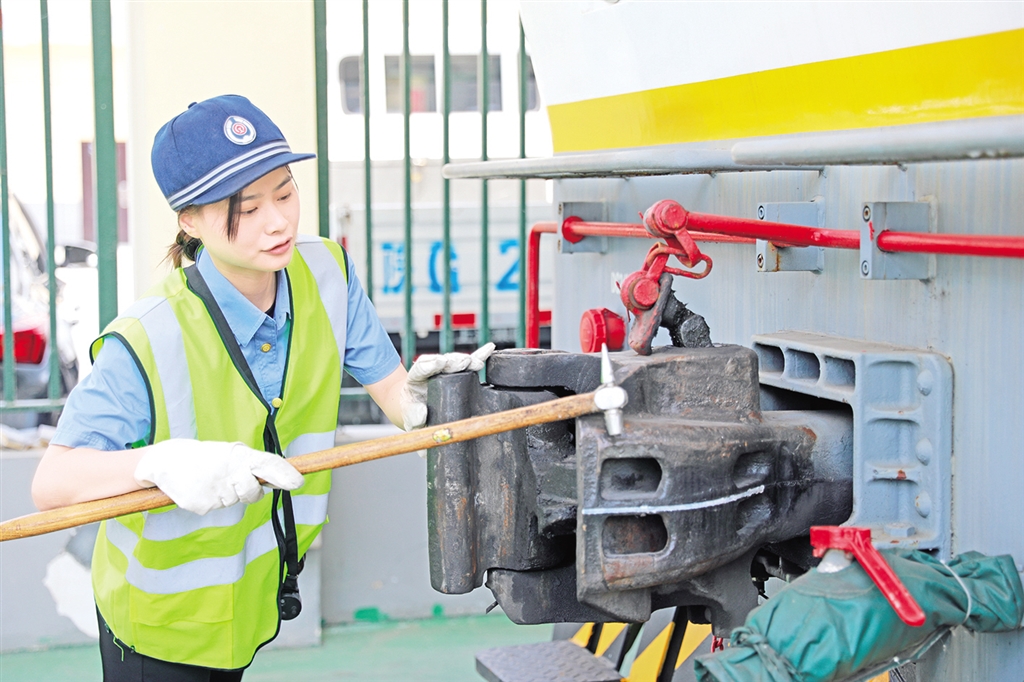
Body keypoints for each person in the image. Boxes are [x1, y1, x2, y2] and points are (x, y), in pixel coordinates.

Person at [31, 94, 492, 682]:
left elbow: (397, 396)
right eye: (246, 208)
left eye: (284, 192)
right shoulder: (148, 337)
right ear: (189, 220)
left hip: (252, 604)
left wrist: (424, 404)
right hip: (158, 627)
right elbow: (52, 483)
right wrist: (159, 463)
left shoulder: (327, 273)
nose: (277, 221)